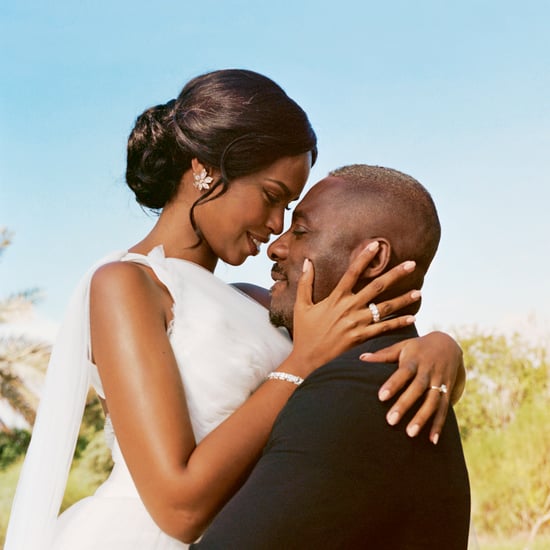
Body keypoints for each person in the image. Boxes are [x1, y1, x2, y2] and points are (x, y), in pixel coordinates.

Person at [5, 71, 464, 550]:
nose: (275, 227)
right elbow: (177, 507)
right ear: (205, 170)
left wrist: (440, 348)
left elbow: (367, 356)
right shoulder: (127, 286)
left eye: (289, 209)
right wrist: (300, 362)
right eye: (271, 197)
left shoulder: (260, 300)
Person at [193, 165, 471, 550]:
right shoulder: (382, 374)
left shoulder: (352, 391)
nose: (276, 245)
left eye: (302, 231)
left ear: (373, 259)